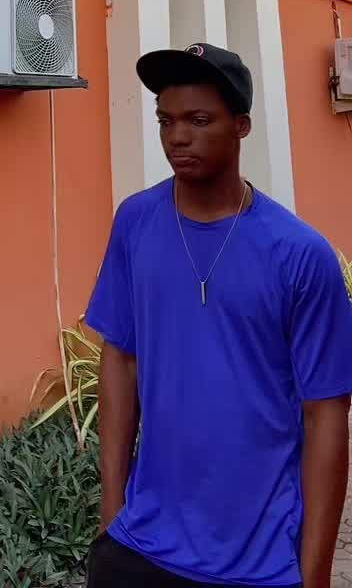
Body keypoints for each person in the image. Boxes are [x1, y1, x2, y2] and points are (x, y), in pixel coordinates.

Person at [85, 42, 352, 588]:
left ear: (242, 126)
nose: (177, 137)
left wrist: (316, 574)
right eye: (166, 121)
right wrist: (112, 514)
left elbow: (326, 414)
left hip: (258, 562)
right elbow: (121, 358)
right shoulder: (136, 223)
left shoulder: (300, 256)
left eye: (199, 120)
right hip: (139, 548)